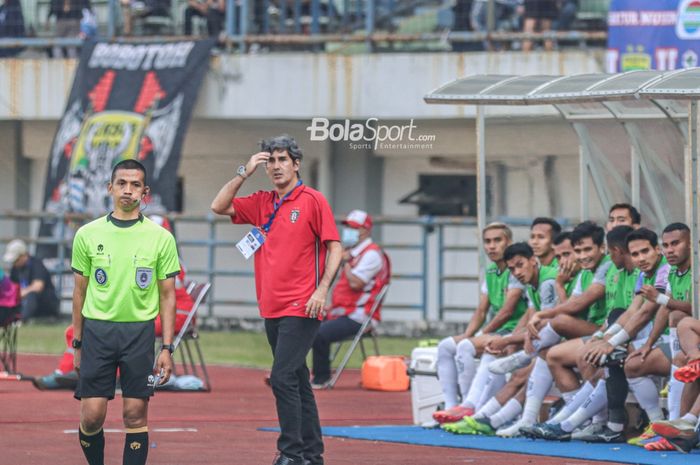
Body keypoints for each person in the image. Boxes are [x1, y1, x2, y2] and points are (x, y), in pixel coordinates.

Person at [211, 134, 342, 465]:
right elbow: (219, 206)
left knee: (281, 377)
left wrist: (322, 289)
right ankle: (312, 455)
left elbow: (335, 246)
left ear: (296, 164)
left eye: (283, 160)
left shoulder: (312, 200)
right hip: (271, 306)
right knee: (298, 379)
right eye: (270, 161)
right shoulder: (261, 201)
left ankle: (290, 453)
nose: (276, 166)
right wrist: (244, 172)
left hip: (303, 305)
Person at [71, 159, 179, 465]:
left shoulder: (161, 238)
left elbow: (168, 296)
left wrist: (167, 348)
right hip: (98, 333)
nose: (128, 191)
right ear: (110, 188)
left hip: (139, 334)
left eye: (135, 185)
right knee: (92, 416)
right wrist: (77, 343)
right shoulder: (87, 235)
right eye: (122, 183)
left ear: (145, 192)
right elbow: (79, 293)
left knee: (135, 414)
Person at [432, 222, 528, 424]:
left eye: (497, 240)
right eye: (487, 241)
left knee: (469, 347)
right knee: (446, 346)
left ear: (508, 242)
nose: (491, 246)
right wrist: (469, 333)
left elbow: (506, 312)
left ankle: (468, 406)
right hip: (498, 331)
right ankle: (452, 405)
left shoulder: (516, 271)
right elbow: (481, 309)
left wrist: (480, 335)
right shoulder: (491, 271)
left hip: (513, 331)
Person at [310, 209, 390, 388]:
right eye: (347, 227)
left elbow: (356, 284)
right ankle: (289, 374)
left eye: (354, 228)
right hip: (342, 312)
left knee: (319, 333)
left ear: (366, 230)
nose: (349, 231)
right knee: (302, 323)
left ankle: (320, 379)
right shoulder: (352, 252)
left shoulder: (371, 254)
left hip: (360, 316)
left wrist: (344, 262)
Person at [4, 239, 60, 321]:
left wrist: (20, 293)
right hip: (26, 304)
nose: (14, 263)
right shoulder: (15, 268)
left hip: (45, 305)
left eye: (16, 260)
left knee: (31, 294)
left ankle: (21, 320)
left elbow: (38, 286)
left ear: (24, 255)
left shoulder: (37, 264)